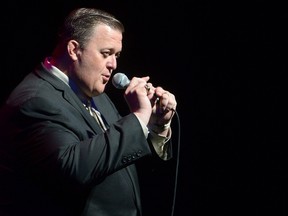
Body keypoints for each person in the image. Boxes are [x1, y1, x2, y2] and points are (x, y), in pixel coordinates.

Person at [0, 7, 177, 216]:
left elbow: (119, 158)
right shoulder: (35, 101)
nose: (114, 65)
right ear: (74, 50)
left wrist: (155, 123)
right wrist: (138, 118)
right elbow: (74, 169)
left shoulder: (95, 94)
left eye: (117, 55)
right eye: (106, 53)